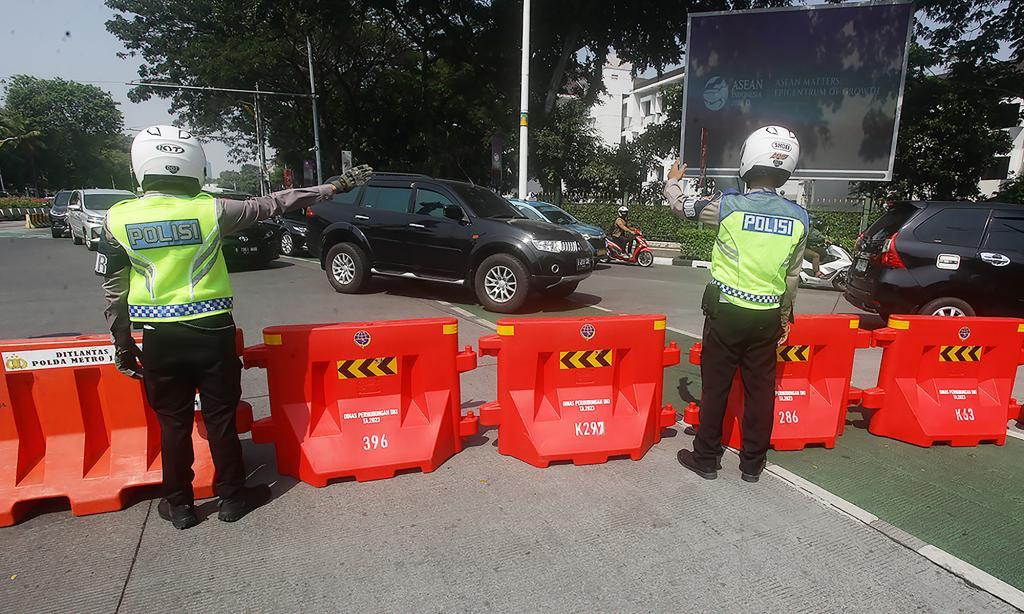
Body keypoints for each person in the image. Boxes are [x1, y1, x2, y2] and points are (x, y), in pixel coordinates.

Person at [96, 125, 373, 529]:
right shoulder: (211, 210)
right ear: (194, 165)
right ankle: (232, 497)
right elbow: (275, 203)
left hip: (158, 337)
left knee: (172, 423)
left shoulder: (117, 218)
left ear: (140, 166)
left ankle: (180, 505)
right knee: (220, 417)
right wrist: (332, 187)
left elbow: (113, 290)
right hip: (212, 333)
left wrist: (122, 343)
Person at [664, 125, 808, 483]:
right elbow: (792, 276)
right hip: (767, 317)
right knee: (761, 391)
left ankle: (706, 459)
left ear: (748, 160)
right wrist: (786, 316)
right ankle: (752, 465)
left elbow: (681, 208)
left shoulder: (727, 206)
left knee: (716, 388)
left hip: (726, 312)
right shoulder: (799, 217)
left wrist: (673, 182)